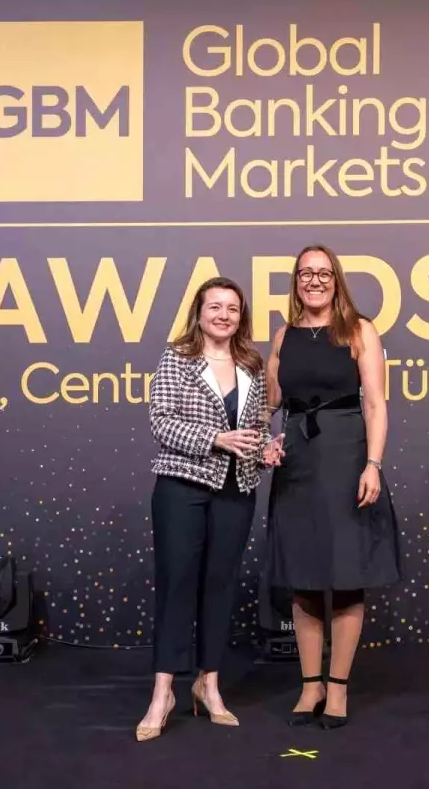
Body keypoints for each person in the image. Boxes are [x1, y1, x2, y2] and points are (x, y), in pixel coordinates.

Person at [263, 244, 403, 730]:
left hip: (346, 457)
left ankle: (338, 686)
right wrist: (265, 441)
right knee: (303, 578)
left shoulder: (360, 329)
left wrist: (373, 464)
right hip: (298, 462)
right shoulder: (283, 336)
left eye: (324, 273)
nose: (315, 281)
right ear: (296, 281)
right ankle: (311, 686)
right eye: (306, 273)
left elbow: (376, 404)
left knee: (345, 576)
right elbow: (269, 404)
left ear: (337, 280)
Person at [136, 276, 282, 742]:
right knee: (177, 585)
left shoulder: (252, 363)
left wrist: (265, 449)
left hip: (236, 490)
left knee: (220, 586)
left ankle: (209, 685)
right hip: (182, 486)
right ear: (199, 314)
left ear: (242, 317)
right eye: (215, 306)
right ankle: (162, 693)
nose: (224, 315)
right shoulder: (177, 358)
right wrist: (215, 439)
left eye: (232, 309)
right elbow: (161, 422)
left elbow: (255, 426)